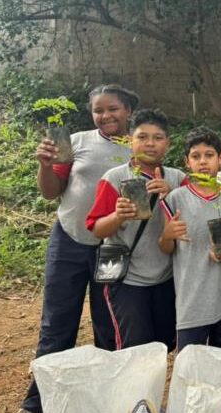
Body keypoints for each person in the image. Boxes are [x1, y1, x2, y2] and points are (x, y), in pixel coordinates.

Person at [21, 84, 139, 413]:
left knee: (108, 324)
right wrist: (45, 165)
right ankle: (37, 402)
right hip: (69, 240)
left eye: (113, 109)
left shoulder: (140, 148)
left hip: (113, 248)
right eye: (98, 110)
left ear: (128, 110)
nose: (105, 116)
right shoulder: (76, 142)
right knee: (57, 324)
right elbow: (51, 192)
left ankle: (107, 400)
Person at [86, 109, 185, 350]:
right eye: (142, 137)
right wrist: (118, 216)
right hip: (127, 280)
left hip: (167, 277)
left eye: (158, 137)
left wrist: (171, 196)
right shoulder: (114, 178)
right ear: (130, 140)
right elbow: (97, 228)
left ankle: (151, 388)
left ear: (167, 144)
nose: (150, 143)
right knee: (135, 348)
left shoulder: (179, 179)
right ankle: (133, 389)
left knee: (163, 344)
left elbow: (191, 223)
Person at [157, 126, 221, 352]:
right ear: (186, 161)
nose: (203, 162)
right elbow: (166, 247)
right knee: (192, 371)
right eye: (196, 156)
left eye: (209, 155)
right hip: (193, 301)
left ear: (220, 159)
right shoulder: (175, 199)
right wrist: (167, 234)